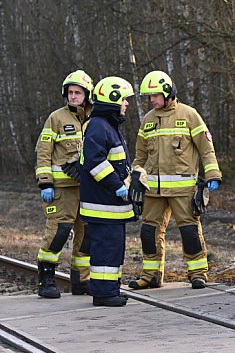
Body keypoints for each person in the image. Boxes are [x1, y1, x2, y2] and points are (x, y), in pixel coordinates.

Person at [128, 70, 222, 290]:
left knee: (190, 232)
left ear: (168, 93)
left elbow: (206, 149)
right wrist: (135, 176)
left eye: (155, 95)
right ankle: (151, 276)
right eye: (149, 96)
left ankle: (198, 274)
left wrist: (213, 174)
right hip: (153, 191)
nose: (152, 100)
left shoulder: (189, 115)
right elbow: (140, 157)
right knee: (149, 233)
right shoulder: (147, 120)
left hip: (183, 190)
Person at [34, 70, 94, 298]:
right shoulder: (56, 118)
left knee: (85, 235)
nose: (73, 96)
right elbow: (43, 152)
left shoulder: (94, 119)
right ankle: (46, 280)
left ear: (87, 95)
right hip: (62, 190)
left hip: (87, 189)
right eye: (70, 92)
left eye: (78, 92)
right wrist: (45, 183)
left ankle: (81, 280)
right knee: (58, 232)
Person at [79, 76, 135, 306]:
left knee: (113, 250)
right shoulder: (99, 126)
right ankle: (103, 294)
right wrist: (117, 186)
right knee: (106, 249)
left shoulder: (107, 126)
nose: (126, 104)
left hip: (111, 206)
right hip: (103, 205)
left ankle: (111, 289)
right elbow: (95, 162)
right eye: (124, 99)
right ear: (113, 100)